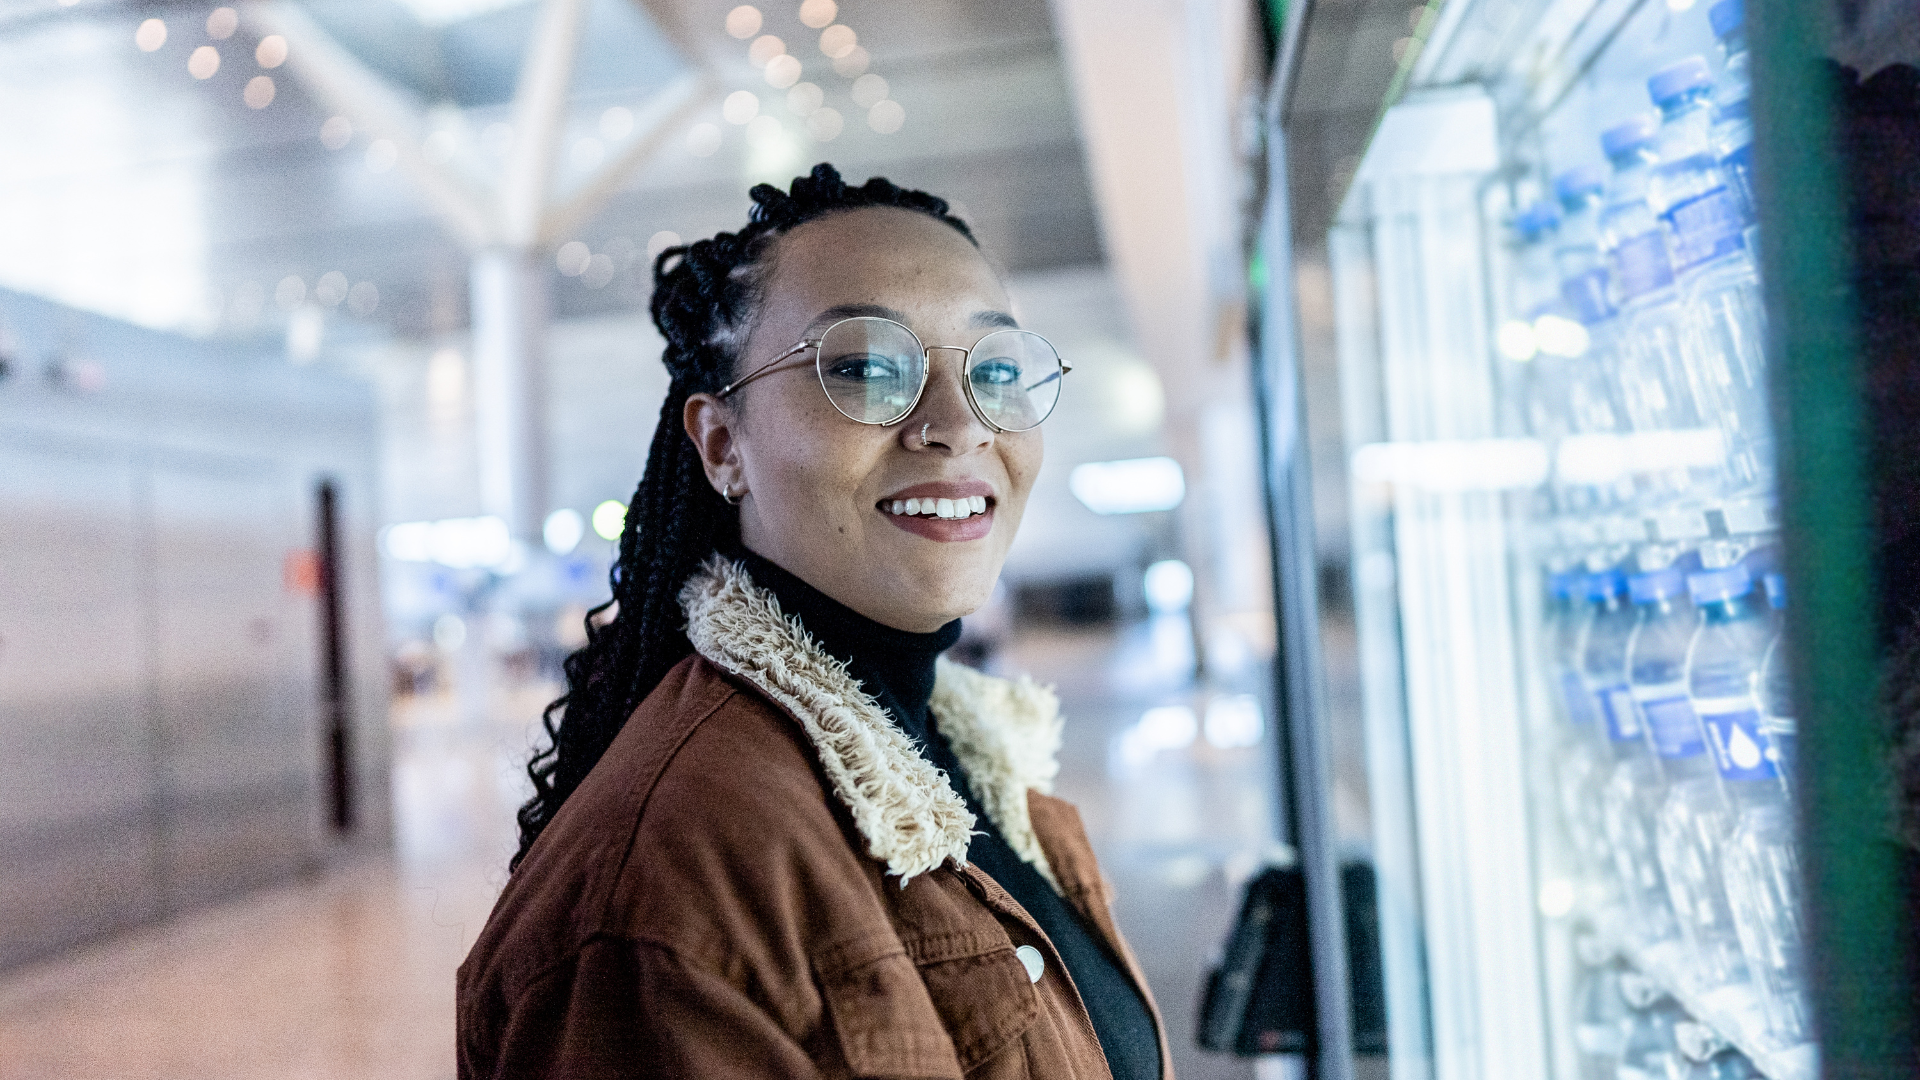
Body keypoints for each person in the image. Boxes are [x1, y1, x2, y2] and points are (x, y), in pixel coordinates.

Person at [457, 164, 1170, 1079]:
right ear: (724, 445)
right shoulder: (672, 884)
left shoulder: (964, 760)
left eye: (994, 369)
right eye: (867, 369)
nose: (959, 425)